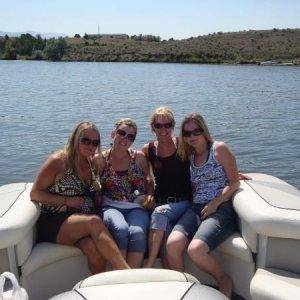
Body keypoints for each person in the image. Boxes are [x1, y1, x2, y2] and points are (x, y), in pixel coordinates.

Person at [30, 121, 130, 274]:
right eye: (86, 140)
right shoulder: (59, 161)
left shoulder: (90, 163)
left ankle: (100, 290)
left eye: (95, 142)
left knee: (94, 251)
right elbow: (35, 193)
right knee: (94, 222)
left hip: (79, 220)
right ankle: (127, 273)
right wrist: (66, 200)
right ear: (75, 138)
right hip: (55, 220)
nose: (90, 145)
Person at [166, 113, 240, 298]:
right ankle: (185, 289)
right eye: (187, 133)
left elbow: (234, 182)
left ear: (204, 131)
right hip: (197, 207)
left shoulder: (218, 149)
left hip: (220, 208)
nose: (192, 136)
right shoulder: (189, 155)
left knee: (195, 250)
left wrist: (215, 203)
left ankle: (223, 279)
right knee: (173, 244)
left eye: (196, 131)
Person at [142, 107, 192, 268]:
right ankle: (177, 281)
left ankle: (148, 267)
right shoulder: (148, 149)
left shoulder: (183, 146)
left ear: (173, 125)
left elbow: (205, 159)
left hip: (183, 202)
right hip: (161, 202)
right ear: (152, 127)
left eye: (167, 124)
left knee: (159, 213)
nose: (163, 129)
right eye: (158, 125)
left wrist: (230, 173)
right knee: (165, 244)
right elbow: (146, 176)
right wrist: (149, 192)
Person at [101, 118, 154, 268]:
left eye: (131, 136)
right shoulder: (101, 159)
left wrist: (150, 194)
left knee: (137, 232)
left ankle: (130, 278)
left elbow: (149, 179)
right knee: (121, 228)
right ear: (113, 134)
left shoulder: (139, 158)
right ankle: (123, 275)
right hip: (111, 206)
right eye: (122, 133)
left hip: (136, 206)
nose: (125, 139)